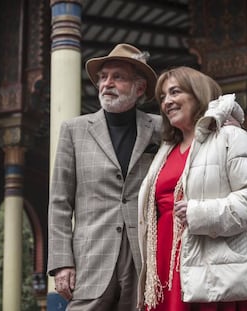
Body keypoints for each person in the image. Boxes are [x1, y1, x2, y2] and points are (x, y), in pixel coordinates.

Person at [137, 66, 247, 311]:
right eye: (163, 97)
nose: (167, 101)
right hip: (165, 267)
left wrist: (199, 214)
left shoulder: (230, 136)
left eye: (175, 92)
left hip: (214, 269)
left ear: (197, 93)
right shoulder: (165, 150)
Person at [47, 43, 162, 310]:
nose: (107, 83)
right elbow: (60, 202)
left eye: (117, 77)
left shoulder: (160, 128)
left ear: (140, 88)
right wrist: (62, 262)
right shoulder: (74, 130)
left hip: (144, 257)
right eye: (103, 77)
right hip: (90, 257)